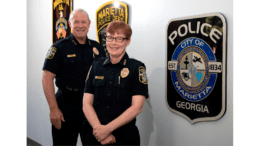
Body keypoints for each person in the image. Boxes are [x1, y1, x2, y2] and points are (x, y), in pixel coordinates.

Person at [42, 9, 106, 146]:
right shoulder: (59, 48)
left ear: (89, 24)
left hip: (91, 106)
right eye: (76, 22)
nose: (80, 25)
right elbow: (47, 78)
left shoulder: (98, 49)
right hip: (66, 106)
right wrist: (53, 109)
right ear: (70, 24)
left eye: (84, 22)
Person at [82, 21, 149, 145]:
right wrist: (101, 132)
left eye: (119, 39)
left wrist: (107, 129)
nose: (113, 43)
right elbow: (86, 103)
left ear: (127, 41)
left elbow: (137, 108)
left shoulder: (137, 68)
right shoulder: (96, 65)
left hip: (123, 137)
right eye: (110, 38)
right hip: (95, 135)